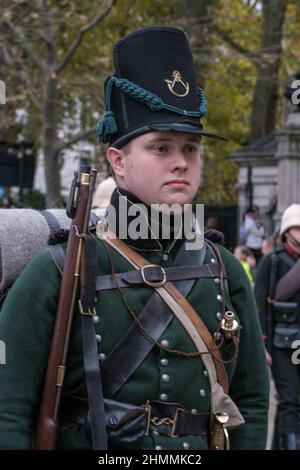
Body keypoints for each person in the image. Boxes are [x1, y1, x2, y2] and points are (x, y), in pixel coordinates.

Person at [0, 26, 268, 450]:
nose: (181, 162)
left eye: (191, 149)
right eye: (161, 148)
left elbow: (251, 402)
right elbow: (7, 411)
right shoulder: (58, 268)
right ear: (118, 161)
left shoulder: (224, 268)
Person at [255, 204, 300, 450]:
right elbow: (258, 304)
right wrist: (261, 346)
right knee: (289, 398)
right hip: (281, 344)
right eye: (297, 227)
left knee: (291, 401)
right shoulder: (271, 262)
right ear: (286, 232)